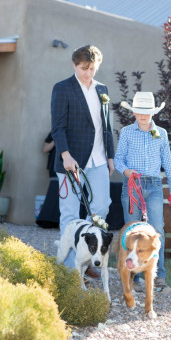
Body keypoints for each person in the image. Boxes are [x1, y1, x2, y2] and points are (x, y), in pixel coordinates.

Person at [51, 45, 115, 277]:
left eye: (92, 68)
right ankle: (70, 269)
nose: (88, 73)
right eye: (83, 68)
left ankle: (86, 257)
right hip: (71, 161)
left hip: (98, 160)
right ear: (74, 65)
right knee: (69, 214)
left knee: (101, 207)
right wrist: (65, 155)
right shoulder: (62, 88)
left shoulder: (102, 89)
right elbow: (57, 127)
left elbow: (106, 126)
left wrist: (110, 157)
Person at [114, 91, 171, 292]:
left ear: (153, 113)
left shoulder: (161, 134)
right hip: (132, 185)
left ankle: (159, 273)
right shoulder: (126, 132)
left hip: (154, 186)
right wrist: (126, 171)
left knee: (157, 228)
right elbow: (118, 159)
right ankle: (135, 276)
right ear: (133, 112)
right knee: (132, 231)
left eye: (147, 112)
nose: (143, 116)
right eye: (139, 112)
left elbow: (168, 162)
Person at [36, 132, 60, 228]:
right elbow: (45, 149)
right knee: (54, 193)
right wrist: (58, 138)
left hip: (71, 169)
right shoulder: (54, 133)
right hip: (55, 167)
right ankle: (48, 221)